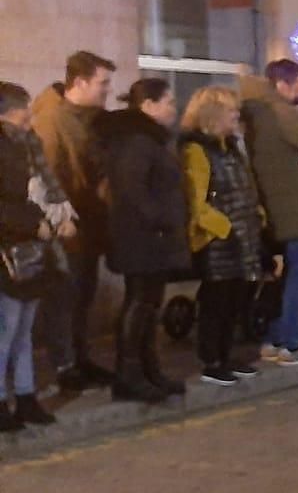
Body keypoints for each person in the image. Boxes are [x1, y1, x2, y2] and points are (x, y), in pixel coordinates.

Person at [97, 78, 189, 402]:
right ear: (148, 105)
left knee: (149, 304)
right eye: (168, 102)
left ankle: (149, 369)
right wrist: (161, 221)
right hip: (141, 238)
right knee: (139, 302)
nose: (173, 109)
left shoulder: (149, 139)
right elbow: (132, 191)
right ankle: (129, 375)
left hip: (153, 237)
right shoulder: (136, 140)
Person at [241, 59, 298, 367]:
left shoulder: (257, 111)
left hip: (277, 206)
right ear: (282, 84)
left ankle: (274, 337)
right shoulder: (280, 112)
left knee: (281, 278)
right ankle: (291, 343)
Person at [31, 50, 115, 390]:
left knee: (82, 296)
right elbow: (49, 178)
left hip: (90, 222)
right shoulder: (52, 121)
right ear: (79, 82)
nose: (107, 90)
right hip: (68, 226)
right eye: (102, 83)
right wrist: (61, 219)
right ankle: (66, 366)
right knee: (65, 298)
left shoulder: (92, 117)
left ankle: (80, 358)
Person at [179, 87, 267, 386]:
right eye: (231, 111)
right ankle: (211, 359)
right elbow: (196, 200)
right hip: (218, 239)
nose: (236, 116)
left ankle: (226, 354)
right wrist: (224, 228)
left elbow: (246, 184)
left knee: (236, 299)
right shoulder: (196, 150)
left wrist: (257, 215)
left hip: (243, 232)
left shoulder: (230, 147)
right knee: (217, 300)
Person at [0, 83, 69, 431]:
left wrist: (47, 220)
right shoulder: (9, 146)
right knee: (7, 328)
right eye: (24, 107)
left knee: (23, 327)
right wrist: (34, 224)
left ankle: (26, 398)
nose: (30, 114)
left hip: (25, 248)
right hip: (8, 251)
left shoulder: (21, 144)